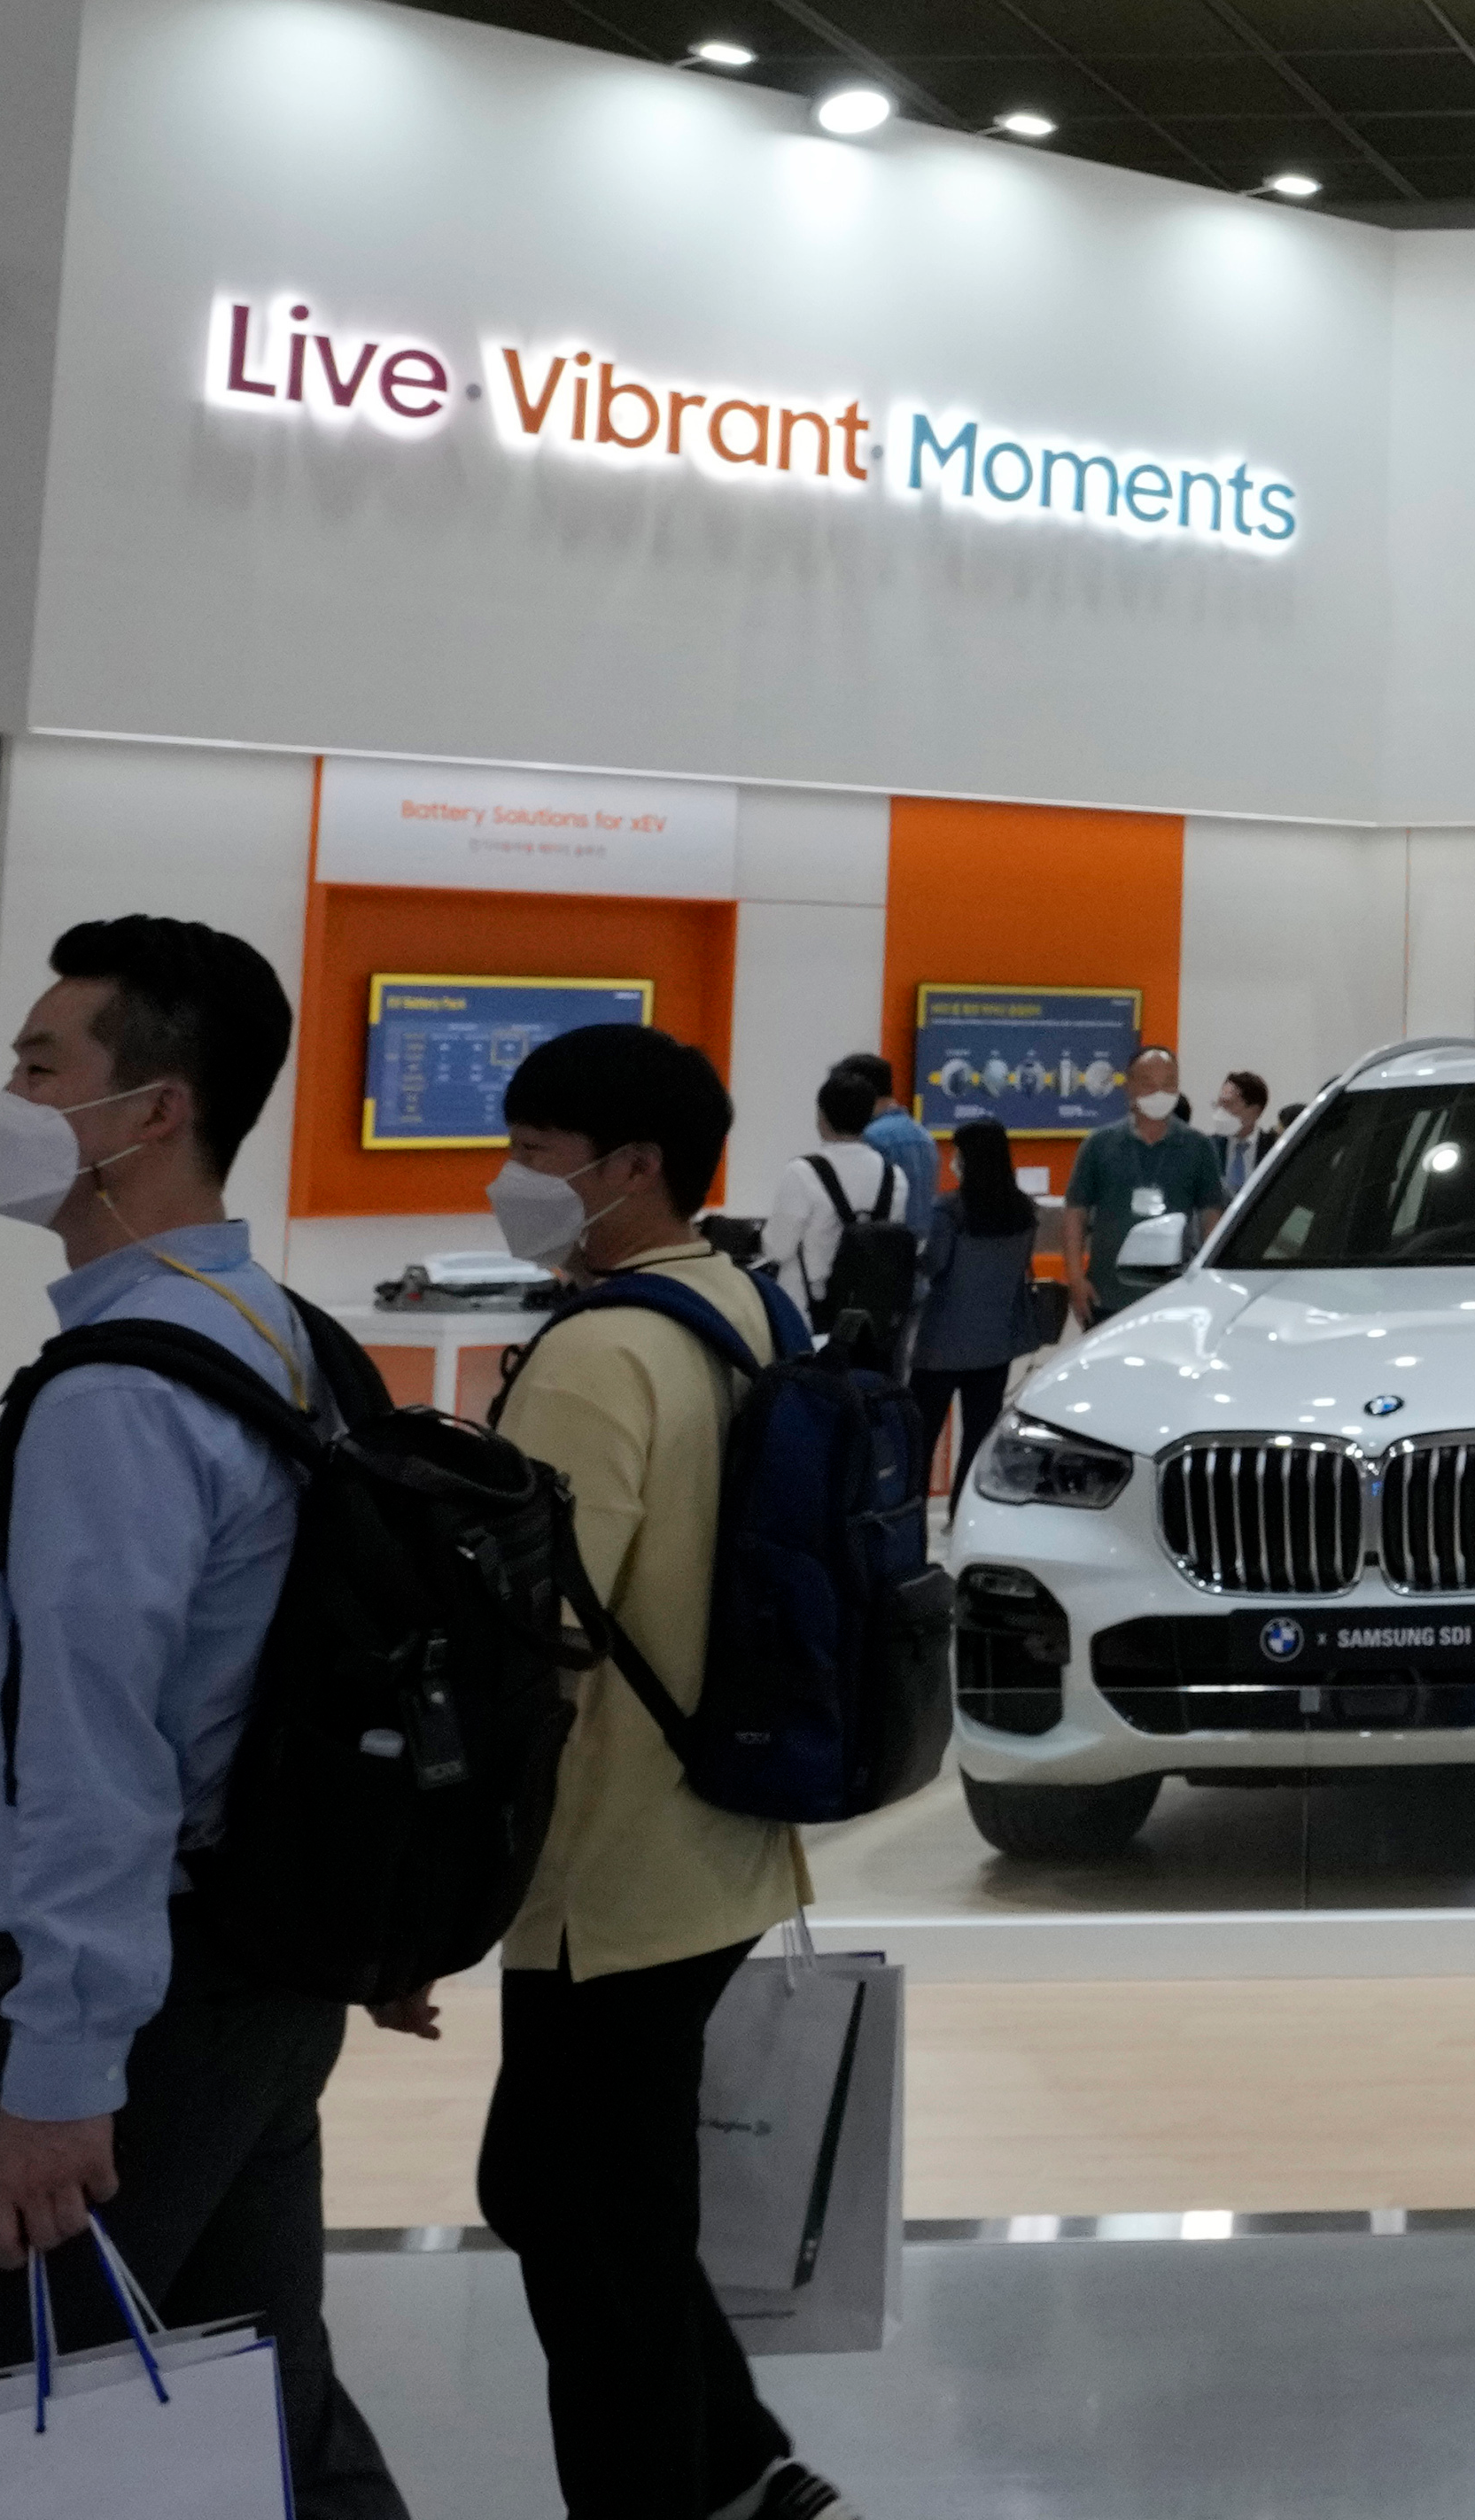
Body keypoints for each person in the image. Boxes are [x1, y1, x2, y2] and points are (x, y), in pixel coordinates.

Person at [0, 919, 408, 2520]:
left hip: (131, 2007)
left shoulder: (113, 1398)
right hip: (262, 1978)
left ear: (151, 1110)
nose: (4, 1100)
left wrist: (59, 2068)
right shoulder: (289, 1339)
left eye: (38, 1067)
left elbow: (94, 1758)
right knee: (269, 2413)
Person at [477, 1022, 839, 2520]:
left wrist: (440, 1890)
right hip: (723, 1832)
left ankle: (687, 2486)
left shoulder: (593, 1353)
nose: (509, 1177)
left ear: (631, 1167)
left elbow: (529, 1644)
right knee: (577, 2191)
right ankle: (745, 2467)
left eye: (534, 1152)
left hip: (604, 1866)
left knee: (588, 2235)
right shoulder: (744, 1306)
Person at [762, 1051, 934, 1360]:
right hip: (868, 1318)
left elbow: (778, 1248)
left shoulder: (802, 1172)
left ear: (821, 1115)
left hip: (806, 1314)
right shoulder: (893, 1176)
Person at [912, 1120, 1041, 1513]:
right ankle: (963, 1516)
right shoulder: (1024, 1211)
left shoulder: (949, 1210)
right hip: (995, 1344)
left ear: (967, 1158)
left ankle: (910, 1522)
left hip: (941, 1344)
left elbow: (935, 1265)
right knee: (978, 1440)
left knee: (920, 1440)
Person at [1065, 1048, 1230, 1323]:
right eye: (1148, 1083)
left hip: (1174, 1295)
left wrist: (1210, 1280)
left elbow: (1211, 1217)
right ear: (1129, 1087)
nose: (1159, 1092)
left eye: (1168, 1083)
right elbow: (1075, 1213)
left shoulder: (1198, 1147)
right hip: (1108, 1294)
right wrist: (1074, 1277)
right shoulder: (1099, 1144)